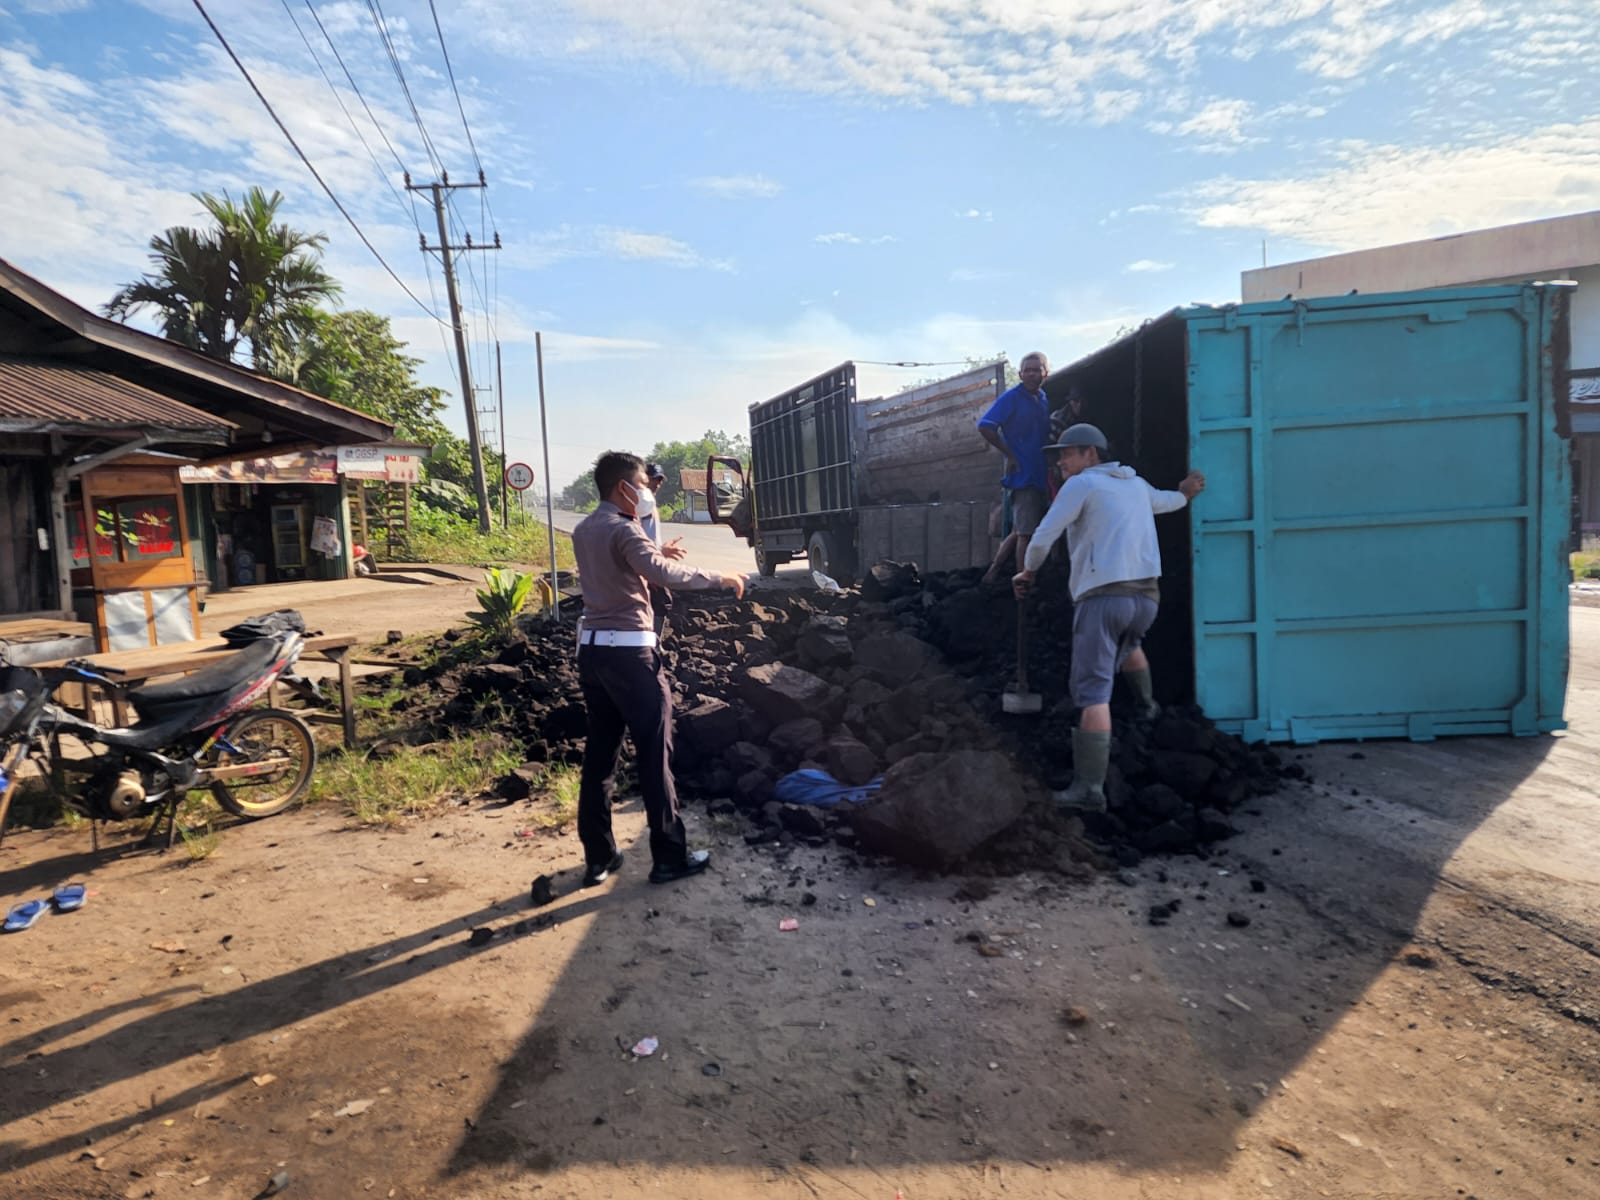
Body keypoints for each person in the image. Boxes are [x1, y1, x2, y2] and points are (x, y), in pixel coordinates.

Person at [572, 451, 745, 886]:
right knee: (654, 756)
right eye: (643, 484)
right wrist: (718, 576)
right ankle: (669, 857)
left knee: (600, 756)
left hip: (592, 655)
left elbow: (628, 565)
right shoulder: (624, 528)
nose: (648, 492)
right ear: (622, 488)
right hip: (632, 658)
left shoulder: (586, 528)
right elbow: (662, 573)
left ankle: (599, 858)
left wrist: (654, 550)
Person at [1013, 423, 1206, 812]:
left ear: (1091, 454)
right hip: (1146, 600)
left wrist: (1028, 572)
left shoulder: (1081, 485)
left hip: (1103, 599)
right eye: (1059, 454)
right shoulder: (1134, 485)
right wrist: (1186, 493)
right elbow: (1167, 501)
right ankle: (1148, 707)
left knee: (1093, 693)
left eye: (1068, 453)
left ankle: (1088, 790)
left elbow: (1043, 535)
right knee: (1129, 642)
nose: (1061, 460)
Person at [978, 351, 1052, 584]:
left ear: (1045, 373)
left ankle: (993, 572)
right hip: (1024, 476)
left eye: (1036, 369)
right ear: (1020, 374)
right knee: (1026, 534)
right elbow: (985, 426)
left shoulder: (1042, 399)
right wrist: (1009, 454)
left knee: (1021, 529)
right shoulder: (1012, 398)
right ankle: (1023, 584)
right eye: (1027, 370)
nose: (1031, 374)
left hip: (1040, 474)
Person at [637, 461, 685, 639]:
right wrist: (658, 552)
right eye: (653, 479)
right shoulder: (638, 503)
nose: (657, 483)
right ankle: (652, 644)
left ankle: (650, 643)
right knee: (660, 602)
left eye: (659, 480)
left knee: (657, 603)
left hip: (651, 559)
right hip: (645, 562)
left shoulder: (647, 502)